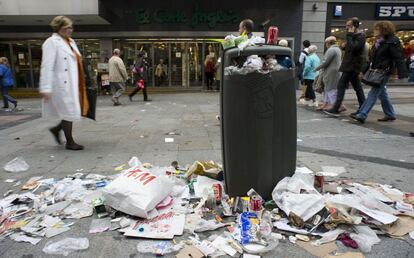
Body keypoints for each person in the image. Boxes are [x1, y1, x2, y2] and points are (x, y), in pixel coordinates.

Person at [39, 16, 90, 150]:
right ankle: (70, 142)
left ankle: (57, 130)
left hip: (74, 83)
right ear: (58, 28)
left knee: (72, 111)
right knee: (69, 111)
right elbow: (47, 66)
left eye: (71, 27)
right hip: (62, 84)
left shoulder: (71, 42)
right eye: (66, 27)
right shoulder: (51, 42)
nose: (70, 30)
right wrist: (45, 87)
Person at [350, 21, 407, 124]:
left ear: (384, 30)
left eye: (377, 29)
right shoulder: (378, 42)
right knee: (382, 93)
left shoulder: (393, 41)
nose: (374, 31)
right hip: (377, 71)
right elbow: (371, 60)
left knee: (374, 92)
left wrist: (402, 73)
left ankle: (362, 114)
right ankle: (390, 114)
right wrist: (363, 71)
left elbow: (398, 58)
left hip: (384, 71)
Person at [325, 17, 366, 116]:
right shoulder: (354, 35)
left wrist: (349, 36)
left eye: (349, 25)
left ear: (355, 26)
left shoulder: (360, 35)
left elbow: (354, 48)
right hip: (350, 64)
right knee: (357, 87)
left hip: (352, 65)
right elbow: (351, 47)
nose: (346, 27)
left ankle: (336, 107)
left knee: (341, 85)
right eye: (346, 25)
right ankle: (363, 108)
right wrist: (344, 46)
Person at [315, 36, 343, 111]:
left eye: (326, 43)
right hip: (334, 71)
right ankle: (325, 104)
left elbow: (326, 62)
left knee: (331, 89)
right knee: (327, 88)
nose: (325, 45)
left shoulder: (331, 50)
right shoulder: (338, 49)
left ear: (328, 43)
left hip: (331, 72)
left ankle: (337, 106)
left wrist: (317, 68)